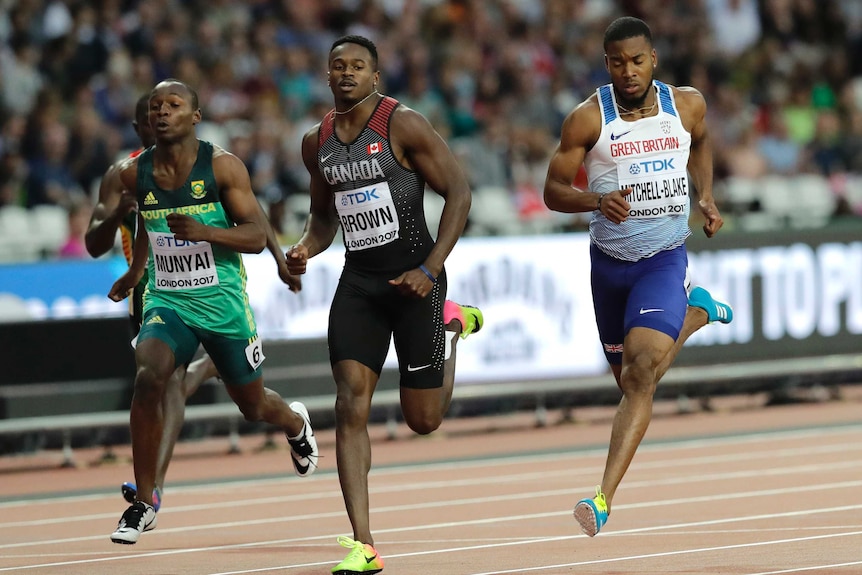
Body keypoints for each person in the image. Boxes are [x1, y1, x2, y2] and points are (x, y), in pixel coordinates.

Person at [286, 35, 482, 575]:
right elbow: (324, 219)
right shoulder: (316, 142)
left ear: (376, 77)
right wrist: (305, 247)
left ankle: (452, 328)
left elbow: (460, 193)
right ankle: (363, 543)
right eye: (337, 67)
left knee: (424, 420)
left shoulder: (404, 125)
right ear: (326, 77)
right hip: (360, 285)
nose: (346, 74)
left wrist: (431, 269)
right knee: (350, 405)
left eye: (358, 66)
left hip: (416, 282)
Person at [542, 17, 733, 537]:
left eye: (638, 60)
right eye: (618, 62)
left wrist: (707, 196)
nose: (629, 71)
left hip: (663, 258)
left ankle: (602, 499)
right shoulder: (587, 119)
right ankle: (695, 314)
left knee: (641, 374)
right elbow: (552, 190)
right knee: (628, 382)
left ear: (653, 60)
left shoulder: (686, 104)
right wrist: (594, 199)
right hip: (608, 267)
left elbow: (702, 141)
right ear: (607, 64)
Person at [105, 79, 317, 545]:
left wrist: (204, 231)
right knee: (151, 376)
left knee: (254, 406)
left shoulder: (221, 166)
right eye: (156, 106)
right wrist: (136, 272)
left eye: (174, 105)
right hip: (169, 299)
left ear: (195, 117)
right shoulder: (132, 173)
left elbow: (255, 237)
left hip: (223, 303)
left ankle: (295, 422)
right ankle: (144, 501)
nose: (162, 112)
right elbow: (149, 224)